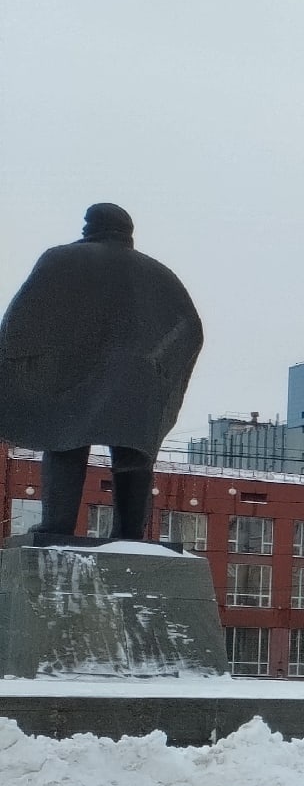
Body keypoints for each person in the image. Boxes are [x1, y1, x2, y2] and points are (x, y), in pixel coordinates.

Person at [0, 203, 203, 544]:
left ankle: (57, 526)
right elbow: (191, 329)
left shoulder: (62, 260)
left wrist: (21, 364)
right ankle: (130, 536)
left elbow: (23, 319)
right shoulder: (162, 275)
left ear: (91, 226)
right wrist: (158, 364)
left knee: (64, 442)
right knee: (134, 456)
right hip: (139, 382)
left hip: (76, 376)